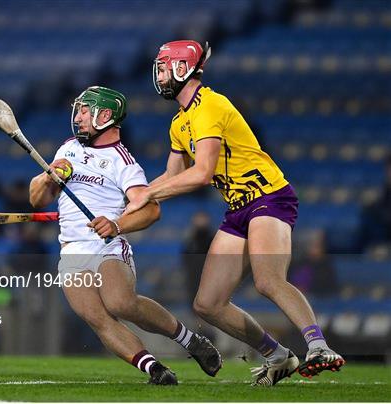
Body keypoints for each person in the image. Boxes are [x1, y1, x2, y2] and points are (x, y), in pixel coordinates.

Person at [125, 40, 345, 385]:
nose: (161, 74)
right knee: (207, 304)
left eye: (166, 67)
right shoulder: (179, 123)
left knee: (267, 280)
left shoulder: (211, 105)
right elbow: (171, 176)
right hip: (239, 207)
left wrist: (149, 194)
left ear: (184, 68)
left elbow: (201, 173)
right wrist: (132, 197)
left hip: (269, 196)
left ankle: (318, 346)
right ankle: (278, 357)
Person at [29, 86, 221, 385]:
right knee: (96, 317)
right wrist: (48, 176)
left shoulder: (124, 163)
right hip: (71, 251)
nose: (77, 117)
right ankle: (154, 370)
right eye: (77, 110)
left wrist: (116, 225)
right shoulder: (67, 149)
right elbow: (36, 200)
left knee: (120, 303)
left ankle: (188, 340)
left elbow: (150, 211)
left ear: (104, 116)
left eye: (84, 111)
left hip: (107, 246)